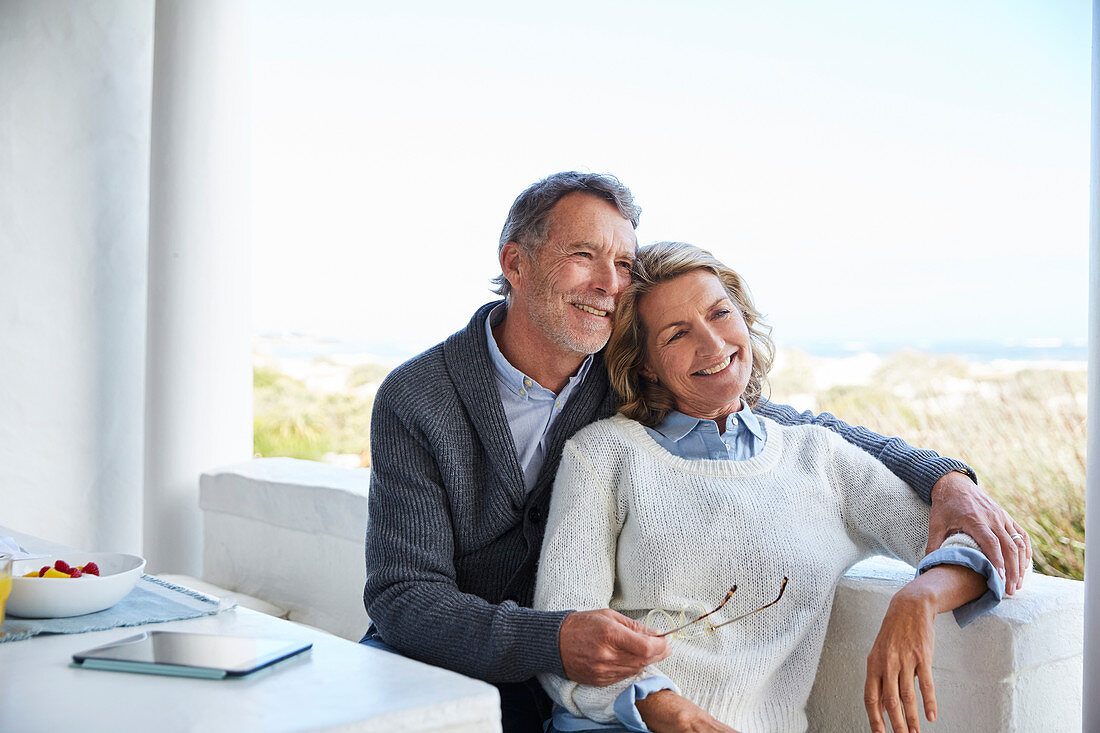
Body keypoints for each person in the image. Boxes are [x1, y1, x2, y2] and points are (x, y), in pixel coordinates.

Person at [362, 172, 1031, 733]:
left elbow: (784, 427)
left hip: (577, 686)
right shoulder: (419, 399)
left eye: (622, 263)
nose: (608, 282)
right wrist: (557, 642)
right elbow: (404, 595)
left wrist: (945, 478)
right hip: (447, 667)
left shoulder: (622, 373)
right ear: (516, 263)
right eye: (583, 255)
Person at [534, 241, 1015, 733]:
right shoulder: (603, 455)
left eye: (720, 314)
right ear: (645, 365)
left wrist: (919, 599)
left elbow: (983, 541)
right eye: (678, 334)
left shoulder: (820, 459)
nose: (713, 345)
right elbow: (563, 636)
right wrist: (671, 711)